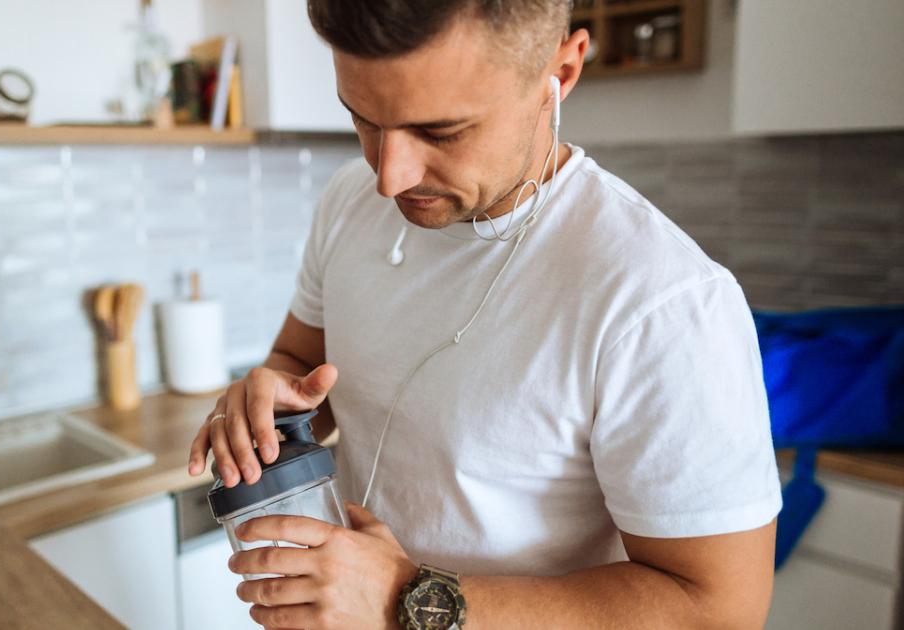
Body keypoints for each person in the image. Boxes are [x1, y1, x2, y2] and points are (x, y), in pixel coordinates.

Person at [187, 1, 782, 628]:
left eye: (441, 131)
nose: (390, 177)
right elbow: (300, 365)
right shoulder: (349, 202)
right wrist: (266, 403)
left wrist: (404, 601)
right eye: (363, 119)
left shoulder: (663, 300)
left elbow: (718, 609)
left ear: (562, 71)